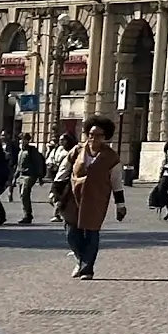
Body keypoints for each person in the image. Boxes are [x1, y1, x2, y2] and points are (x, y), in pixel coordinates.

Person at [59, 117, 125, 280]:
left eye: (98, 135)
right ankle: (81, 259)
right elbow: (64, 169)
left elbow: (116, 181)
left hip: (96, 198)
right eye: (91, 134)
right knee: (71, 231)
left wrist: (120, 204)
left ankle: (87, 269)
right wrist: (55, 190)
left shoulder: (111, 157)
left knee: (91, 232)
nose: (93, 138)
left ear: (105, 137)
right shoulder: (77, 150)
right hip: (73, 196)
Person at [15, 134, 45, 224]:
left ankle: (27, 215)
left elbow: (38, 163)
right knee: (22, 196)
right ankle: (26, 213)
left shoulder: (32, 151)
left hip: (30, 175)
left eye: (24, 139)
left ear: (28, 140)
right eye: (21, 140)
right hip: (21, 175)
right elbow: (18, 166)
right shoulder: (20, 151)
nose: (22, 141)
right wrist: (14, 177)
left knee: (24, 193)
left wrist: (40, 177)